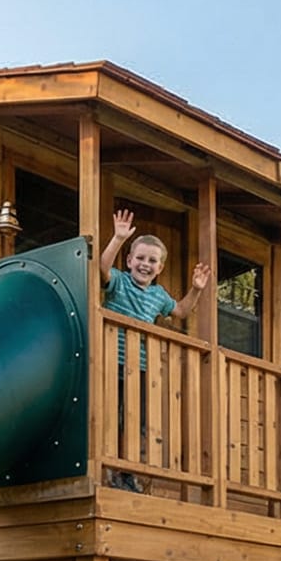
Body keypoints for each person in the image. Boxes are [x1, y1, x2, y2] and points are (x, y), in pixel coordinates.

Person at [98, 209, 211, 490]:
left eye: (152, 261)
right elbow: (102, 269)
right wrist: (118, 238)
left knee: (134, 420)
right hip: (111, 359)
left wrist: (196, 289)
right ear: (129, 261)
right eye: (140, 258)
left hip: (140, 366)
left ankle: (126, 472)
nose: (145, 264)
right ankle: (108, 468)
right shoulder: (120, 281)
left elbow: (181, 311)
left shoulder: (158, 295)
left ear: (160, 268)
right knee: (110, 415)